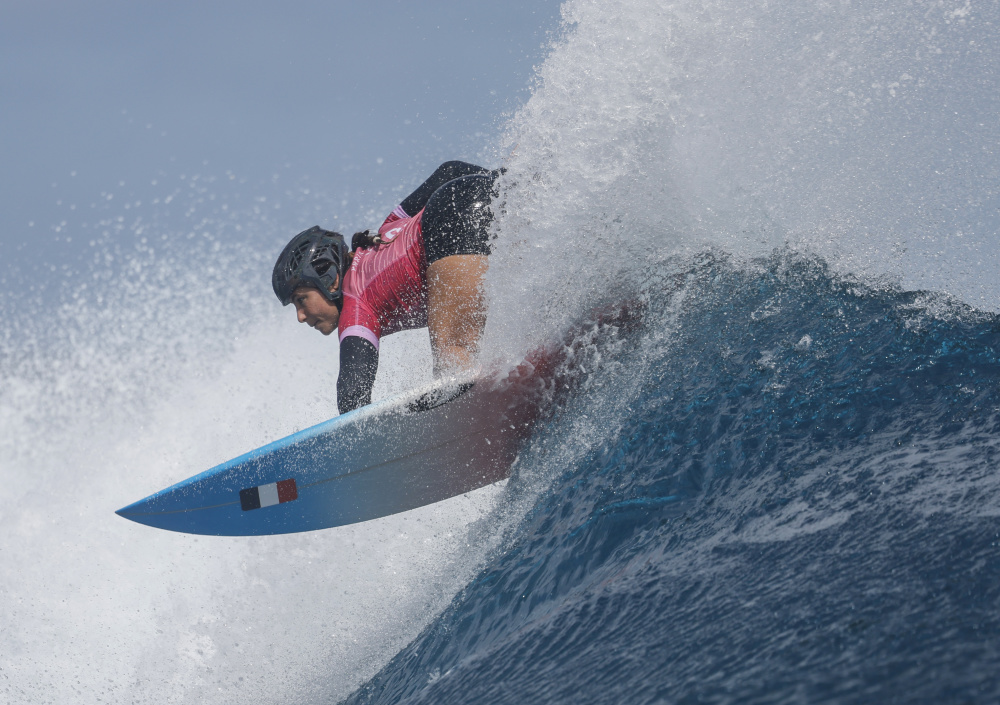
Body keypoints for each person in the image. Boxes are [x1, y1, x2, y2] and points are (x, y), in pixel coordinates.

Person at [271, 161, 500, 415]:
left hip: (451, 220)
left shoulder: (356, 304)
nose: (300, 317)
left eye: (301, 299)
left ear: (331, 279)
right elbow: (451, 172)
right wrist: (496, 183)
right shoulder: (387, 228)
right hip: (479, 194)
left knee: (455, 369)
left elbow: (352, 397)